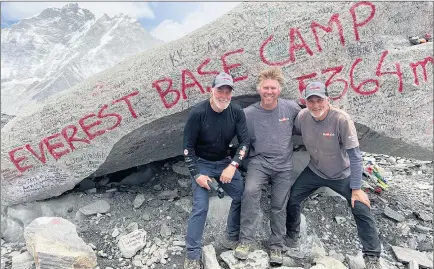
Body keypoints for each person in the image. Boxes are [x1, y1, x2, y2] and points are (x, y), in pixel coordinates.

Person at [285, 81, 382, 269]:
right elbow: (287, 129)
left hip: (341, 174)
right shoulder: (303, 116)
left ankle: (372, 256)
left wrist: (356, 188)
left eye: (319, 100)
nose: (315, 105)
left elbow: (355, 156)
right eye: (311, 101)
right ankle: (292, 236)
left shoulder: (341, 119)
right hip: (315, 171)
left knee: (361, 206)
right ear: (305, 102)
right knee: (292, 198)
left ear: (327, 99)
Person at [233, 67, 301, 265]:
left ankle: (276, 246)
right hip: (259, 162)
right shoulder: (249, 113)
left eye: (273, 88)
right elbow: (237, 136)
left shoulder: (290, 107)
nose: (269, 91)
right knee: (250, 192)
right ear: (258, 89)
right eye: (266, 88)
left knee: (279, 204)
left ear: (279, 90)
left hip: (284, 165)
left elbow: (312, 116)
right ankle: (245, 241)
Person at [183, 72, 250, 269]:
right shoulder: (198, 113)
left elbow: (245, 143)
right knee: (201, 207)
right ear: (211, 90)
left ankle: (231, 237)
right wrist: (197, 174)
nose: (224, 95)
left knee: (241, 196)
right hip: (202, 163)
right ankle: (192, 255)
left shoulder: (236, 112)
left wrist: (233, 165)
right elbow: (187, 148)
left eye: (228, 91)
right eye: (220, 90)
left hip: (224, 163)